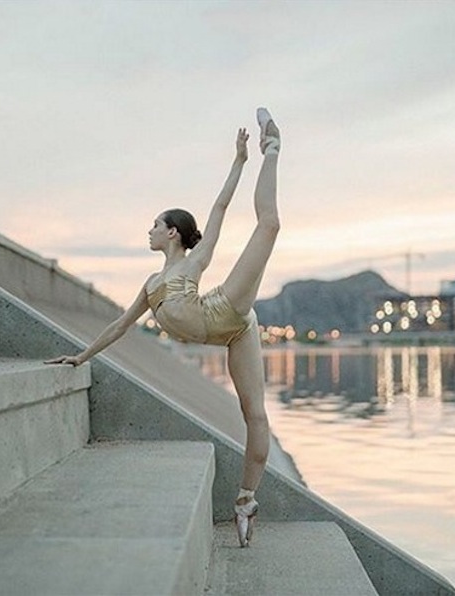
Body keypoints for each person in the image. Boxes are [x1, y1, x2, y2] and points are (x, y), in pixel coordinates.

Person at [47, 108, 281, 548]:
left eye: (155, 224)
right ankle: (245, 505)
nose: (149, 230)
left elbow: (220, 207)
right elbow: (119, 326)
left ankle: (274, 149)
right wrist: (80, 356)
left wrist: (240, 160)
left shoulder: (192, 264)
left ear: (172, 233)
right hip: (232, 334)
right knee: (251, 414)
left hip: (227, 310)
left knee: (269, 225)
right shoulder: (151, 287)